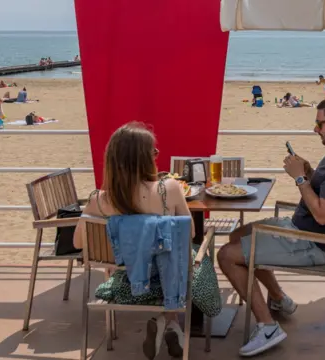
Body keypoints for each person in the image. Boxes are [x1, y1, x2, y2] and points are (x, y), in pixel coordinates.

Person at [217, 96, 325, 357]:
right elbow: (324, 193)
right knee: (239, 235)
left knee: (227, 255)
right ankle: (279, 299)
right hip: (301, 230)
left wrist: (299, 179)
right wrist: (308, 171)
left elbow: (321, 216)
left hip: (310, 242)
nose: (315, 129)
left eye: (320, 124)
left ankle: (268, 327)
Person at [73, 122, 222, 359]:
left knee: (163, 259)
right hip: (171, 278)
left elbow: (79, 243)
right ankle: (169, 321)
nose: (157, 156)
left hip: (131, 278)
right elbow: (190, 233)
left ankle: (168, 323)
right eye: (154, 152)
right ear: (144, 158)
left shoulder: (98, 200)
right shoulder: (169, 189)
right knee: (179, 257)